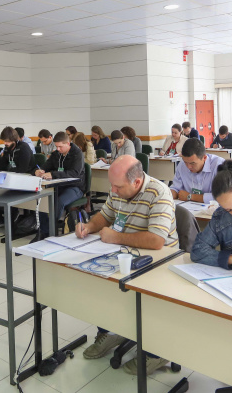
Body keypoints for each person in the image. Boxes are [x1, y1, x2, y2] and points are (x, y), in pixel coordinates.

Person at [76, 156, 178, 375]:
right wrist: (88, 226)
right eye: (112, 185)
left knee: (151, 302)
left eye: (118, 186)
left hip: (160, 260)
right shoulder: (118, 189)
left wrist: (116, 237)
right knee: (100, 283)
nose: (113, 190)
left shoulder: (159, 193)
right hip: (126, 253)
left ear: (137, 182)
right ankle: (111, 332)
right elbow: (105, 216)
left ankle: (157, 353)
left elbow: (156, 241)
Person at [35, 132, 87, 237]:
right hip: (59, 186)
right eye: (56, 146)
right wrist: (39, 171)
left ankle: (51, 230)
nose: (58, 149)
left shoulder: (77, 154)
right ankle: (45, 230)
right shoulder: (56, 154)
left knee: (59, 201)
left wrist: (53, 174)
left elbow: (74, 173)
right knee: (42, 199)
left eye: (60, 146)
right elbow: (46, 166)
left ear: (68, 144)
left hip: (75, 187)